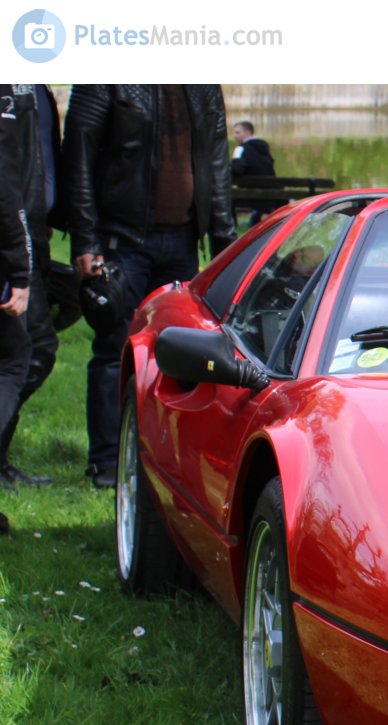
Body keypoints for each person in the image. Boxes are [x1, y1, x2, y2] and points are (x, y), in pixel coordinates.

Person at [64, 85, 236, 488]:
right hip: (122, 240)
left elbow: (216, 158)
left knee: (182, 355)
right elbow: (79, 154)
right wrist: (86, 240)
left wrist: (227, 246)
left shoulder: (203, 83)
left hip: (182, 241)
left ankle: (164, 462)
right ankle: (106, 461)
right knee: (113, 350)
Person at [0, 83, 63, 493]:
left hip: (29, 238)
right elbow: (6, 185)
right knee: (18, 357)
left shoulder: (35, 89)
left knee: (33, 351)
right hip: (11, 245)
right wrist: (18, 267)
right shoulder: (11, 88)